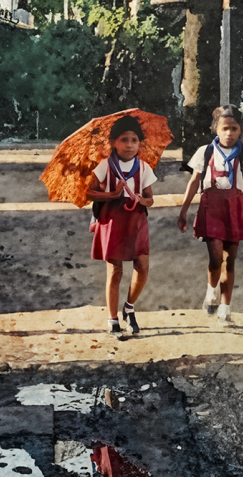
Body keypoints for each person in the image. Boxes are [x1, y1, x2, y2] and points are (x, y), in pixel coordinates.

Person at [177, 105, 243, 325]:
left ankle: (225, 308)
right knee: (215, 258)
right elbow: (194, 182)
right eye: (225, 128)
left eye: (234, 128)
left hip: (234, 206)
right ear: (216, 128)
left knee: (229, 259)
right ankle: (211, 291)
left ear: (241, 130)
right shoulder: (205, 151)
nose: (229, 133)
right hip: (211, 206)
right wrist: (183, 211)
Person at [86, 116, 157, 335]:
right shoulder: (105, 165)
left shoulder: (143, 167)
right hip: (112, 219)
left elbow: (150, 199)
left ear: (139, 144)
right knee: (115, 270)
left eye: (134, 140)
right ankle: (113, 318)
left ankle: (129, 306)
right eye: (124, 139)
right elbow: (88, 192)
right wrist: (111, 194)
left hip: (136, 219)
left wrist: (141, 200)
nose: (129, 144)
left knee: (142, 266)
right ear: (114, 143)